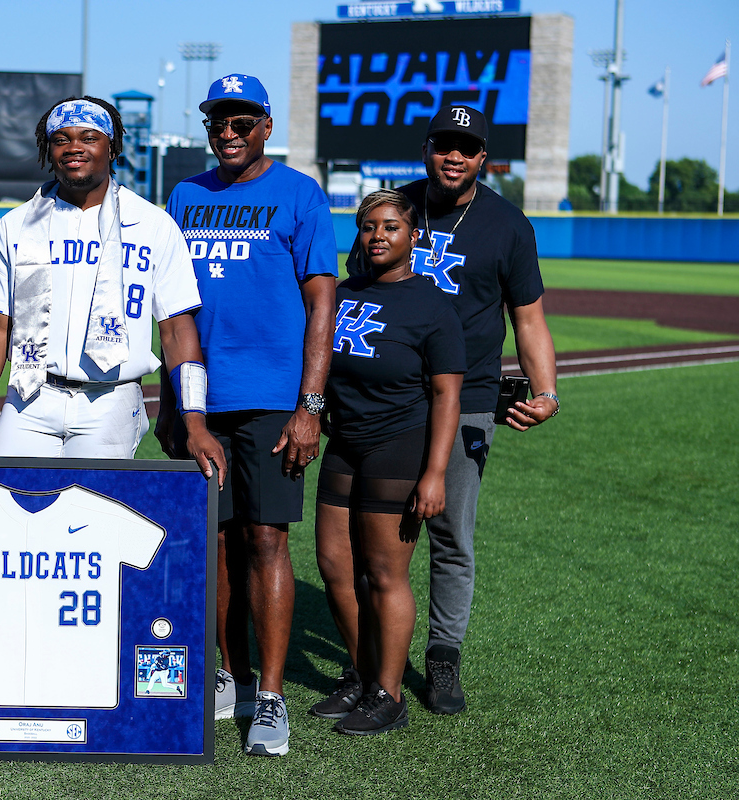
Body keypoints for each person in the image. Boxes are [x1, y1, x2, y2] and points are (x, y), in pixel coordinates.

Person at [347, 105, 558, 714]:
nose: (454, 155)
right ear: (428, 150)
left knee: (449, 532)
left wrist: (545, 391)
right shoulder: (397, 209)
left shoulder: (507, 224)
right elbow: (356, 291)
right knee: (372, 537)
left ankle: (443, 656)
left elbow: (528, 317)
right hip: (387, 400)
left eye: (466, 147)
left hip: (464, 399)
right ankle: (371, 660)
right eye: (444, 144)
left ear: (483, 157)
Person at [161, 74, 337, 757]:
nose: (227, 133)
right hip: (202, 397)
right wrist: (176, 403)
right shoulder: (186, 195)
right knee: (215, 540)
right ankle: (226, 675)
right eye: (217, 123)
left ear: (265, 125)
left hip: (271, 399)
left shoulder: (298, 193)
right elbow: (172, 310)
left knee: (264, 539)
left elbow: (322, 304)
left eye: (241, 122)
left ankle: (271, 697)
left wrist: (310, 406)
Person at [0, 96, 226, 480]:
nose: (74, 147)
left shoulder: (153, 224)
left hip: (112, 399)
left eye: (89, 137)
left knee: (92, 525)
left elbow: (175, 328)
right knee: (9, 511)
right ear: (48, 149)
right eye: (61, 138)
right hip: (31, 395)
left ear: (112, 145)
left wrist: (196, 422)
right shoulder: (18, 225)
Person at [312, 190, 464, 735]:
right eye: (369, 226)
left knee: (383, 574)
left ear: (413, 236)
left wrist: (435, 473)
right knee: (333, 566)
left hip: (397, 444)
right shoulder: (344, 291)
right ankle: (358, 673)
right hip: (344, 443)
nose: (378, 235)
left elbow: (448, 395)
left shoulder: (433, 304)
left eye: (391, 227)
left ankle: (388, 694)